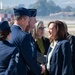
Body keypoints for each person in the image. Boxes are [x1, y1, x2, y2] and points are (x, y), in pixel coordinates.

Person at [9, 7, 45, 75]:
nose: (27, 23)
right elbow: (28, 58)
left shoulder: (8, 32)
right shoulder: (23, 36)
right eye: (28, 20)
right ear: (23, 20)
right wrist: (40, 69)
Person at [25, 9, 45, 75]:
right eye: (34, 19)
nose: (36, 21)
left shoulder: (29, 35)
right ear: (29, 20)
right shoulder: (24, 36)